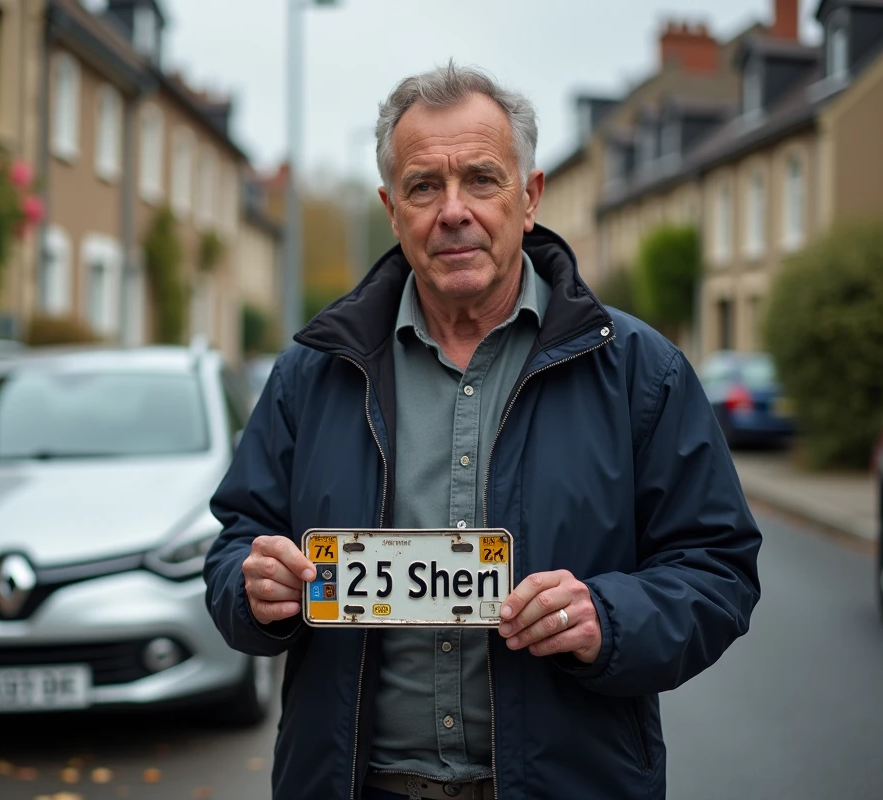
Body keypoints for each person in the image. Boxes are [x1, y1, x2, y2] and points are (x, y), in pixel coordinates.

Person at [203, 62, 762, 800]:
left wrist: (611, 618)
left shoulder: (639, 373)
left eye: (481, 179)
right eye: (424, 186)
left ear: (529, 199)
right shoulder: (312, 374)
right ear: (392, 209)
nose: (453, 210)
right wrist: (253, 589)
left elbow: (717, 569)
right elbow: (234, 547)